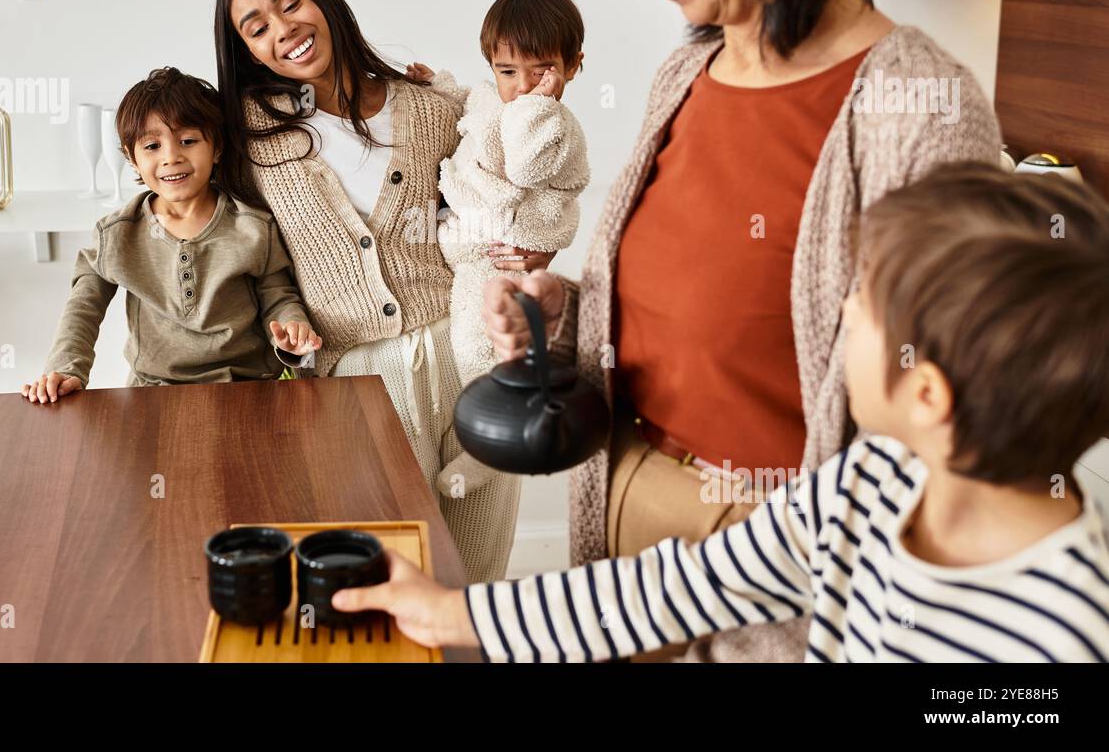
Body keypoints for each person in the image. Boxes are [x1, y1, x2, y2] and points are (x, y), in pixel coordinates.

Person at [475, 0, 1002, 661]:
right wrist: (561, 313)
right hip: (622, 522)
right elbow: (690, 307)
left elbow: (956, 428)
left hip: (786, 567)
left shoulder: (920, 108)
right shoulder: (686, 72)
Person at [332, 164, 1109, 663]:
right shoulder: (873, 481)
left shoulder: (1062, 631)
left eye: (861, 303)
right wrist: (450, 616)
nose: (838, 311)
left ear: (928, 394)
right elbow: (678, 586)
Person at [212, 0, 557, 583]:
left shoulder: (433, 103)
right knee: (374, 586)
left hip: (467, 357)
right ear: (247, 52)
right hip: (354, 386)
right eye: (256, 26)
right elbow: (232, 247)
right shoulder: (245, 137)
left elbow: (508, 191)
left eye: (290, 2)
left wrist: (539, 246)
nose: (281, 28)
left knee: (474, 580)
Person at [23, 67, 319, 403]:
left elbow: (278, 296)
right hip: (153, 392)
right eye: (151, 145)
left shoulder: (253, 227)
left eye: (188, 141)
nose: (171, 157)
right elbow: (84, 305)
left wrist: (293, 328)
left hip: (249, 387)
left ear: (217, 148)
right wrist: (66, 368)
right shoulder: (117, 234)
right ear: (131, 158)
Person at [417, 0, 591, 496]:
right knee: (464, 349)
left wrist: (535, 107)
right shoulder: (495, 97)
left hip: (505, 252)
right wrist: (435, 84)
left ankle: (490, 449)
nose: (522, 85)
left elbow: (525, 163)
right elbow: (470, 102)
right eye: (507, 71)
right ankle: (480, 434)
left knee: (483, 348)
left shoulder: (553, 124)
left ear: (573, 65)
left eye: (541, 71)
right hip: (471, 243)